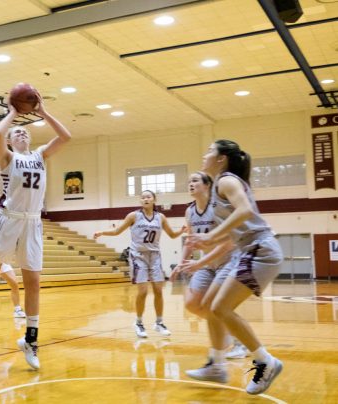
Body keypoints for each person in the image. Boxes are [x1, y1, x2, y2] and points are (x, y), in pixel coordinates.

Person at [0, 93, 71, 370]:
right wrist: (12, 113)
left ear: (29, 139)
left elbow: (65, 136)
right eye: (15, 133)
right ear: (11, 140)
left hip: (33, 222)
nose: (20, 134)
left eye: (23, 133)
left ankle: (30, 340)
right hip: (9, 220)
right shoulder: (7, 158)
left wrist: (44, 113)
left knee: (34, 283)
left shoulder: (41, 155)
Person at [184, 139, 283, 395]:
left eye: (209, 150)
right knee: (210, 307)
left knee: (220, 308)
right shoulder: (221, 184)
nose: (204, 154)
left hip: (259, 250)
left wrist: (209, 236)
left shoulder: (226, 180)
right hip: (246, 250)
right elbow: (233, 231)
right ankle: (217, 365)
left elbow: (246, 211)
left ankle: (264, 361)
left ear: (221, 158)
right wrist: (207, 241)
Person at [170, 172, 247, 365]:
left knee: (217, 306)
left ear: (207, 185)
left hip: (229, 261)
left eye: (195, 180)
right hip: (207, 263)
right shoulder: (189, 211)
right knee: (191, 303)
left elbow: (229, 243)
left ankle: (240, 343)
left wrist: (199, 263)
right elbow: (190, 240)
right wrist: (181, 263)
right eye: (188, 181)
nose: (190, 184)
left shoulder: (218, 207)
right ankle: (226, 330)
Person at [94, 190, 186, 338]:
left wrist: (182, 231)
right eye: (142, 197)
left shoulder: (160, 217)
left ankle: (159, 322)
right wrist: (102, 232)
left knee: (158, 290)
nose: (145, 199)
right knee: (143, 291)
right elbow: (117, 230)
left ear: (154, 199)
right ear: (140, 201)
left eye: (148, 196)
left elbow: (172, 235)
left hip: (155, 256)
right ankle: (138, 323)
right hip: (138, 256)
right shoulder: (134, 216)